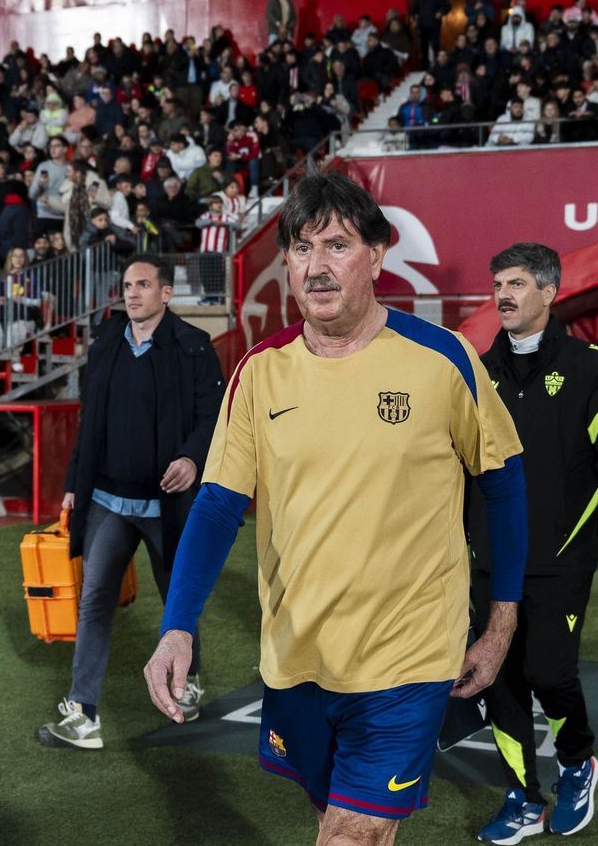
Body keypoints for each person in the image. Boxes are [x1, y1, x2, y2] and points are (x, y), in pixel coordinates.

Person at [143, 171, 528, 846]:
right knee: (337, 821)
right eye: (301, 248)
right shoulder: (260, 372)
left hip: (410, 656)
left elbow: (505, 484)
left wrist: (500, 624)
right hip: (298, 660)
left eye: (337, 245)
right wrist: (177, 627)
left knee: (352, 836)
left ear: (376, 257)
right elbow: (217, 507)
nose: (316, 266)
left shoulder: (442, 359)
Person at [472, 243, 598, 841]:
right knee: (497, 679)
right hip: (488, 559)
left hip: (561, 555)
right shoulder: (476, 372)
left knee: (548, 671)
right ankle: (521, 797)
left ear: (549, 291)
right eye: (498, 284)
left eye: (516, 284)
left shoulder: (593, 367)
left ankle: (576, 763)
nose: (503, 295)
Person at [41, 254, 225, 749]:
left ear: (166, 293)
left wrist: (191, 457)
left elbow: (214, 417)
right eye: (127, 286)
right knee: (94, 600)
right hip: (107, 499)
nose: (132, 293)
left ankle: (188, 681)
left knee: (177, 600)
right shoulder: (105, 342)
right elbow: (89, 420)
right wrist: (74, 481)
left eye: (143, 285)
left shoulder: (193, 346)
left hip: (167, 504)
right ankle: (83, 712)